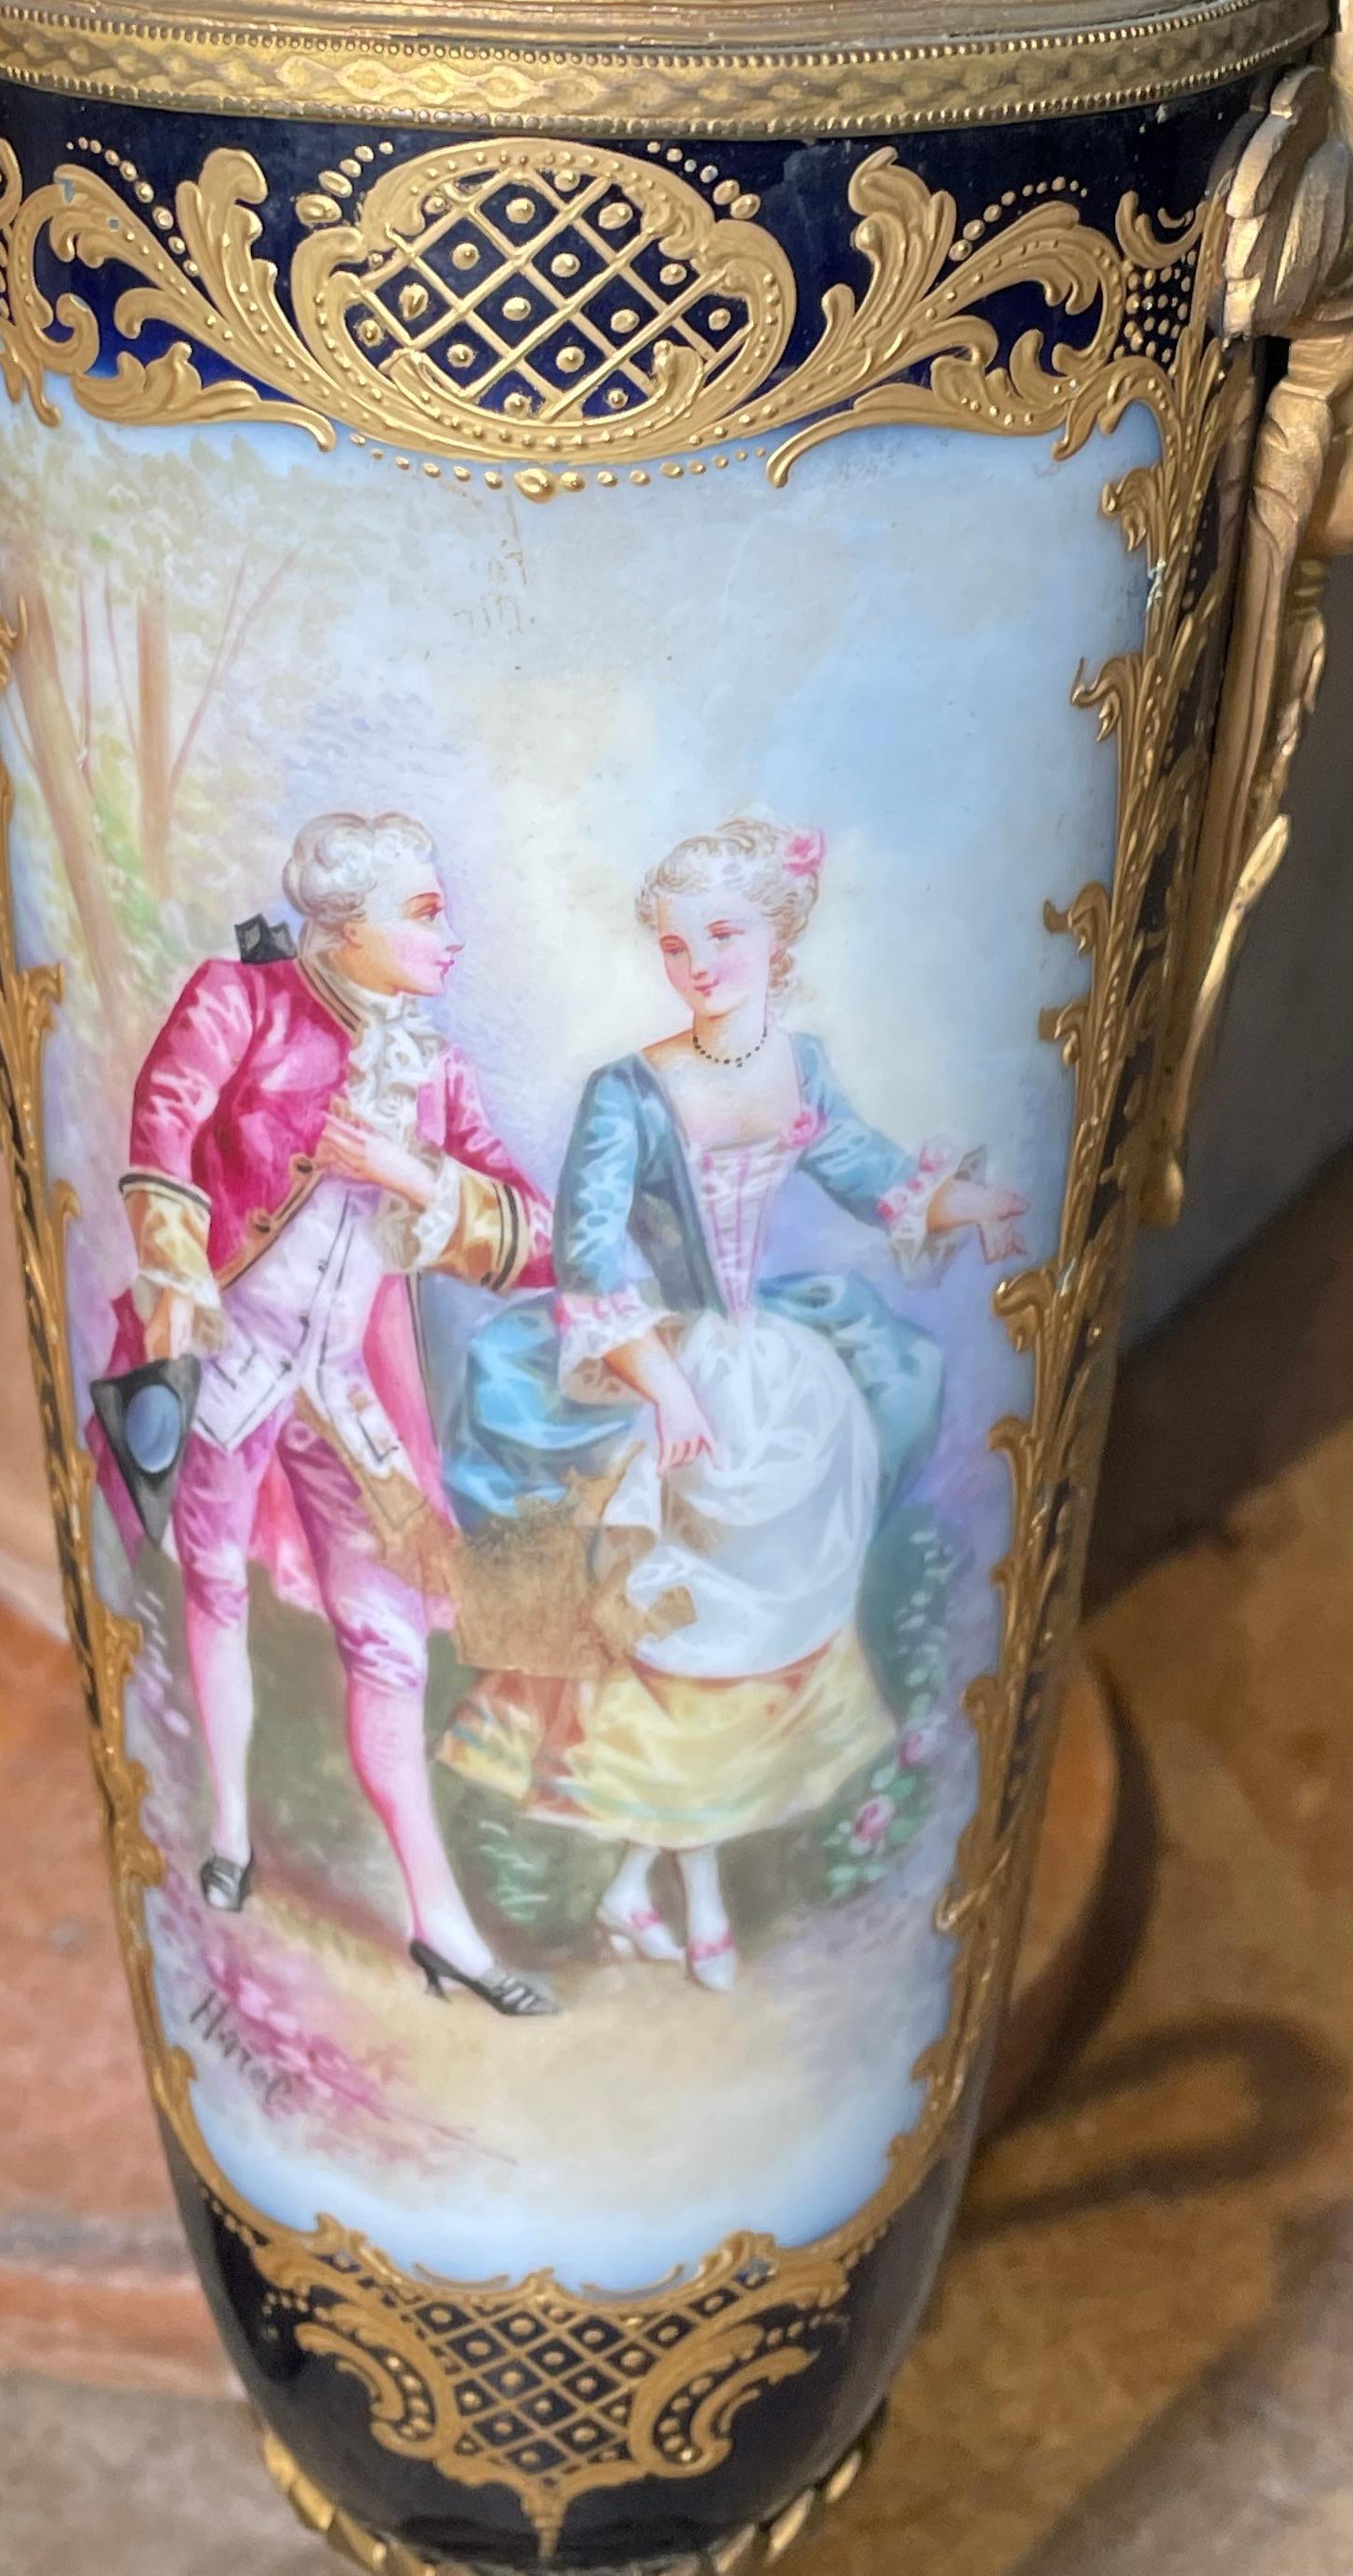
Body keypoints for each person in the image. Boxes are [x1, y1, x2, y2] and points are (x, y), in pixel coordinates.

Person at [440, 816, 1024, 1989]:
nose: (698, 963)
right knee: (676, 1650)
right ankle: (695, 1901)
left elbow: (866, 1171)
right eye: (675, 944)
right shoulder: (628, 1091)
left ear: (778, 939)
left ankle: (641, 1891)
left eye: (722, 935)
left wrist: (966, 1204)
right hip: (652, 1364)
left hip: (773, 1374)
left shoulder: (800, 1070)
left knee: (753, 1652)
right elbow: (591, 1256)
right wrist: (662, 1387)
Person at [104, 809, 556, 2014]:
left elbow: (539, 1242)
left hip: (347, 1393)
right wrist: (177, 1283)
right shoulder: (241, 1001)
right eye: (425, 914)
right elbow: (162, 1124)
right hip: (228, 1363)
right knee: (213, 1583)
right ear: (347, 928)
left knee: (391, 1638)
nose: (450, 937)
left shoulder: (433, 1073)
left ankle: (439, 1924)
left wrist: (409, 1171)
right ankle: (231, 1828)